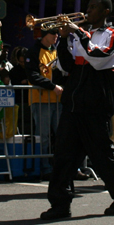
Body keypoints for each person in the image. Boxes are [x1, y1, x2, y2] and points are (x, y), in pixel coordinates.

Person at [39, 0, 114, 220]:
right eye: (88, 7)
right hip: (74, 103)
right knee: (64, 155)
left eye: (93, 7)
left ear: (105, 12)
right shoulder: (79, 36)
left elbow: (97, 58)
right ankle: (60, 204)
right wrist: (63, 39)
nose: (87, 11)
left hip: (95, 105)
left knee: (102, 155)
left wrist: (79, 33)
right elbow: (66, 66)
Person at [25, 27, 64, 178]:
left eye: (57, 33)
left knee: (61, 135)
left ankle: (61, 167)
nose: (56, 36)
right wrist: (52, 86)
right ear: (44, 35)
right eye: (53, 33)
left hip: (58, 100)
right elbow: (32, 75)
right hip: (40, 99)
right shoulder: (33, 51)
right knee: (44, 136)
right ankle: (44, 168)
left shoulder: (57, 50)